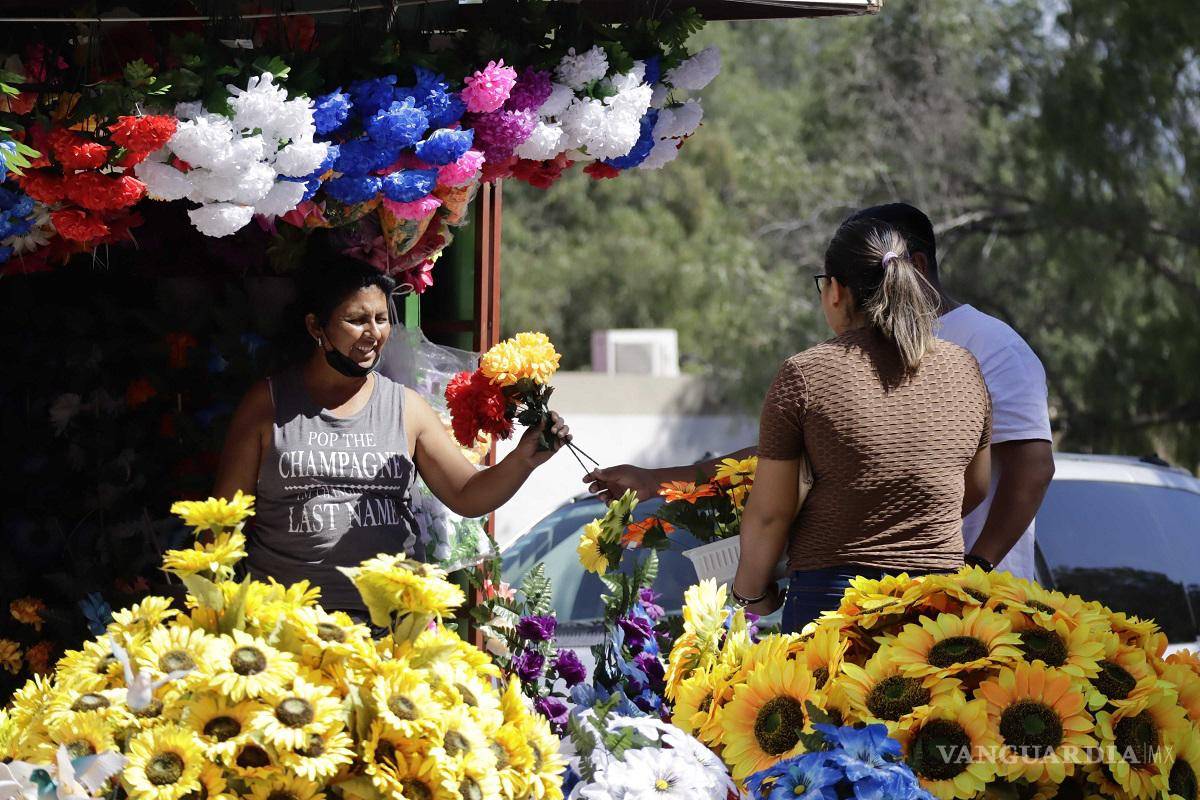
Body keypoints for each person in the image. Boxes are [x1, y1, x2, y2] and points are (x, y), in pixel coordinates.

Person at [586, 203, 1054, 584]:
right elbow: (797, 457)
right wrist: (666, 479)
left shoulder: (988, 350)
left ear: (913, 267)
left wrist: (975, 565)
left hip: (966, 594)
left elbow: (1030, 470)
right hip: (897, 588)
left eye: (834, 281)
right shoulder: (841, 364)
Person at [214, 245, 569, 617]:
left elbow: (467, 495)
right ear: (315, 326)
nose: (373, 333)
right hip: (285, 630)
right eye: (356, 320)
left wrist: (523, 460)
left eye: (381, 318)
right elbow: (221, 521)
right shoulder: (268, 404)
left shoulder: (406, 407)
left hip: (389, 634)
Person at [685, 216, 995, 630]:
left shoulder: (805, 375)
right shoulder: (964, 370)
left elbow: (770, 515)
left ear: (836, 290)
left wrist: (750, 593)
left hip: (833, 601)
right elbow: (974, 487)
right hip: (939, 605)